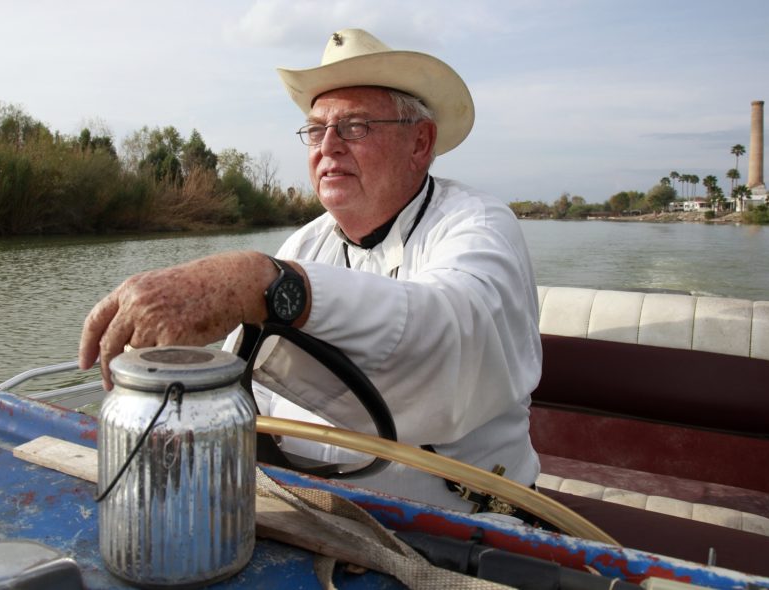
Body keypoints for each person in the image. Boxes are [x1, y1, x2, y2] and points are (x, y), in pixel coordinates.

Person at [79, 28, 542, 514]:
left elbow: (452, 329)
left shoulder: (479, 224)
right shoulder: (306, 241)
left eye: (356, 126)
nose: (329, 146)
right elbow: (248, 377)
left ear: (419, 143)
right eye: (316, 129)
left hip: (468, 529)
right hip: (308, 511)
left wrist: (269, 284)